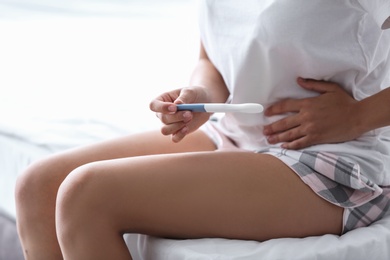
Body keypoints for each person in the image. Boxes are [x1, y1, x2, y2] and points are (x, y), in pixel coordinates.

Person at [15, 0, 390, 259]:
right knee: (39, 186)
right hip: (234, 136)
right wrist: (201, 96)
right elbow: (211, 58)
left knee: (87, 195)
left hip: (328, 159)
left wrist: (356, 116)